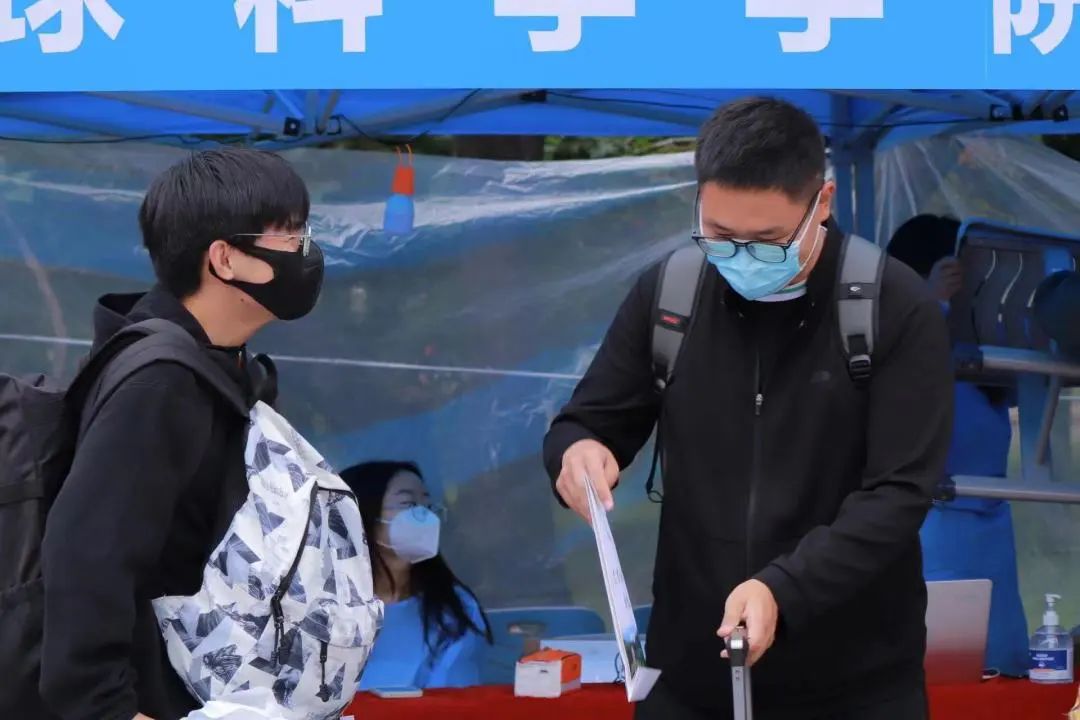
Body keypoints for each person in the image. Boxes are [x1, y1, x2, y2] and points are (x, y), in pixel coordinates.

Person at [543, 98, 953, 719]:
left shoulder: (891, 306)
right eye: (719, 234)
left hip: (856, 684)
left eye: (766, 241)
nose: (740, 258)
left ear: (823, 202)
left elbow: (899, 492)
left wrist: (780, 588)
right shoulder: (671, 294)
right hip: (689, 679)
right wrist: (577, 452)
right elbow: (588, 419)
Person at [40, 148, 324, 720]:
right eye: (291, 235)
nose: (307, 252)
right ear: (225, 258)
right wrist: (108, 708)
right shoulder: (160, 380)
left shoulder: (223, 368)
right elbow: (87, 557)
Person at [887, 213, 1030, 677]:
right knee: (940, 671)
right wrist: (930, 305)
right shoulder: (895, 336)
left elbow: (1025, 386)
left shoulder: (982, 344)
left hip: (991, 522)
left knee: (1002, 666)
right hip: (933, 523)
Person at [340, 461, 492, 690]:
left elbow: (455, 696)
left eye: (427, 505)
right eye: (408, 504)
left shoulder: (456, 608)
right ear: (359, 514)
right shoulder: (318, 609)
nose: (424, 515)